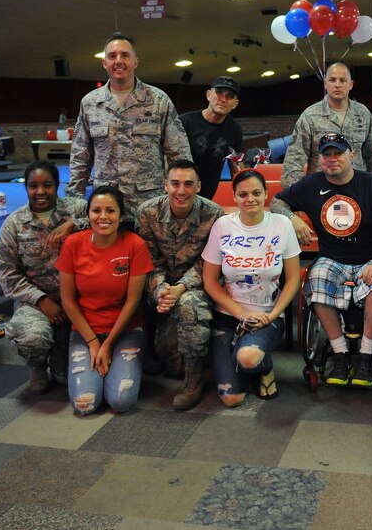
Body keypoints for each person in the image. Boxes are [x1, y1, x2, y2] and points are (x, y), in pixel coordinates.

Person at [272, 132, 372, 387]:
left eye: (338, 153)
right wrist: (292, 217)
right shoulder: (311, 184)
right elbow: (277, 202)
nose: (333, 159)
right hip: (332, 258)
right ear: (320, 160)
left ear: (351, 155)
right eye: (326, 154)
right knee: (316, 279)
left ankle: (366, 355)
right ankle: (340, 352)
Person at [66, 33, 192, 222]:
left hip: (149, 208)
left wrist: (181, 201)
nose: (118, 61)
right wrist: (74, 205)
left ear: (136, 61)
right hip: (105, 210)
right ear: (104, 63)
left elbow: (179, 154)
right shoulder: (90, 103)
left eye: (125, 55)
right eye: (112, 56)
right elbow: (80, 158)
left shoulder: (158, 100)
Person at [201, 169, 300, 406]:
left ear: (266, 194)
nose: (250, 199)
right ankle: (241, 367)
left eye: (256, 193)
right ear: (234, 197)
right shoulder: (222, 226)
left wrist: (273, 315)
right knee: (232, 398)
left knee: (248, 357)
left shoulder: (282, 224)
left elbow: (294, 279)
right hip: (229, 316)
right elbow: (210, 281)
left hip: (268, 315)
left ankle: (261, 366)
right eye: (243, 194)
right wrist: (241, 313)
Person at [135, 160, 224, 410]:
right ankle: (183, 359)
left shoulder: (215, 214)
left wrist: (181, 288)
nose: (181, 191)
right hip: (161, 288)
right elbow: (149, 260)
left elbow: (210, 262)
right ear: (165, 185)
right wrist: (162, 290)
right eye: (175, 184)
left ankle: (193, 379)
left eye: (188, 184)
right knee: (172, 365)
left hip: (198, 286)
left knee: (188, 305)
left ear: (198, 186)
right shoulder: (147, 212)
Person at [57, 186, 153, 415]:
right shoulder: (73, 244)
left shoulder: (134, 245)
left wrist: (108, 344)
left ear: (121, 216)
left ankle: (118, 366)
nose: (103, 217)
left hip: (126, 331)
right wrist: (93, 342)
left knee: (121, 401)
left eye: (110, 211)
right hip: (85, 331)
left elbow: (133, 301)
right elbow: (67, 300)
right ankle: (102, 370)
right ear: (88, 214)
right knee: (85, 404)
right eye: (96, 210)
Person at [0, 161, 87, 394]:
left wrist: (73, 224)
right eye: (33, 186)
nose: (40, 191)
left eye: (47, 185)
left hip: (78, 300)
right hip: (36, 302)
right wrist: (42, 300)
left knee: (65, 378)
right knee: (33, 339)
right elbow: (7, 273)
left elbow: (104, 220)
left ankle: (59, 357)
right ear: (25, 188)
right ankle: (36, 366)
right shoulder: (13, 224)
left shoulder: (77, 208)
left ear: (57, 185)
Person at [281, 62, 372, 188]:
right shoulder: (309, 116)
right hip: (321, 189)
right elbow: (294, 160)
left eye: (343, 80)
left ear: (351, 84)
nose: (337, 85)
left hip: (358, 188)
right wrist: (295, 195)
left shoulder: (363, 113)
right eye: (332, 80)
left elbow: (370, 156)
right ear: (325, 83)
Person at [180, 76, 244, 200]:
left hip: (206, 198)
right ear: (209, 95)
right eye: (219, 93)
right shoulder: (184, 122)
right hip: (178, 194)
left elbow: (236, 164)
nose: (223, 99)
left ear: (235, 104)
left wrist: (244, 191)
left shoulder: (234, 129)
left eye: (230, 96)